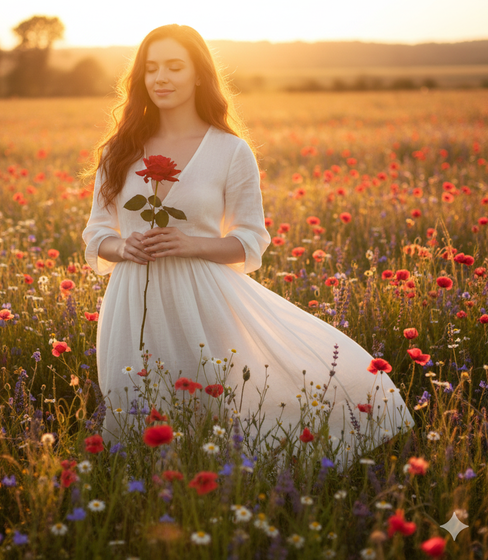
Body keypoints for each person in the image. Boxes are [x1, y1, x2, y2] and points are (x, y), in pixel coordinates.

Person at [82, 24, 414, 466]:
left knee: (209, 408)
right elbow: (96, 233)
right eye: (151, 68)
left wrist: (190, 243)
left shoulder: (230, 151)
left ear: (199, 75)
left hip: (204, 300)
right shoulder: (118, 150)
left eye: (174, 66)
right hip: (132, 301)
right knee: (136, 410)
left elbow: (249, 239)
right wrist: (123, 249)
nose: (160, 77)